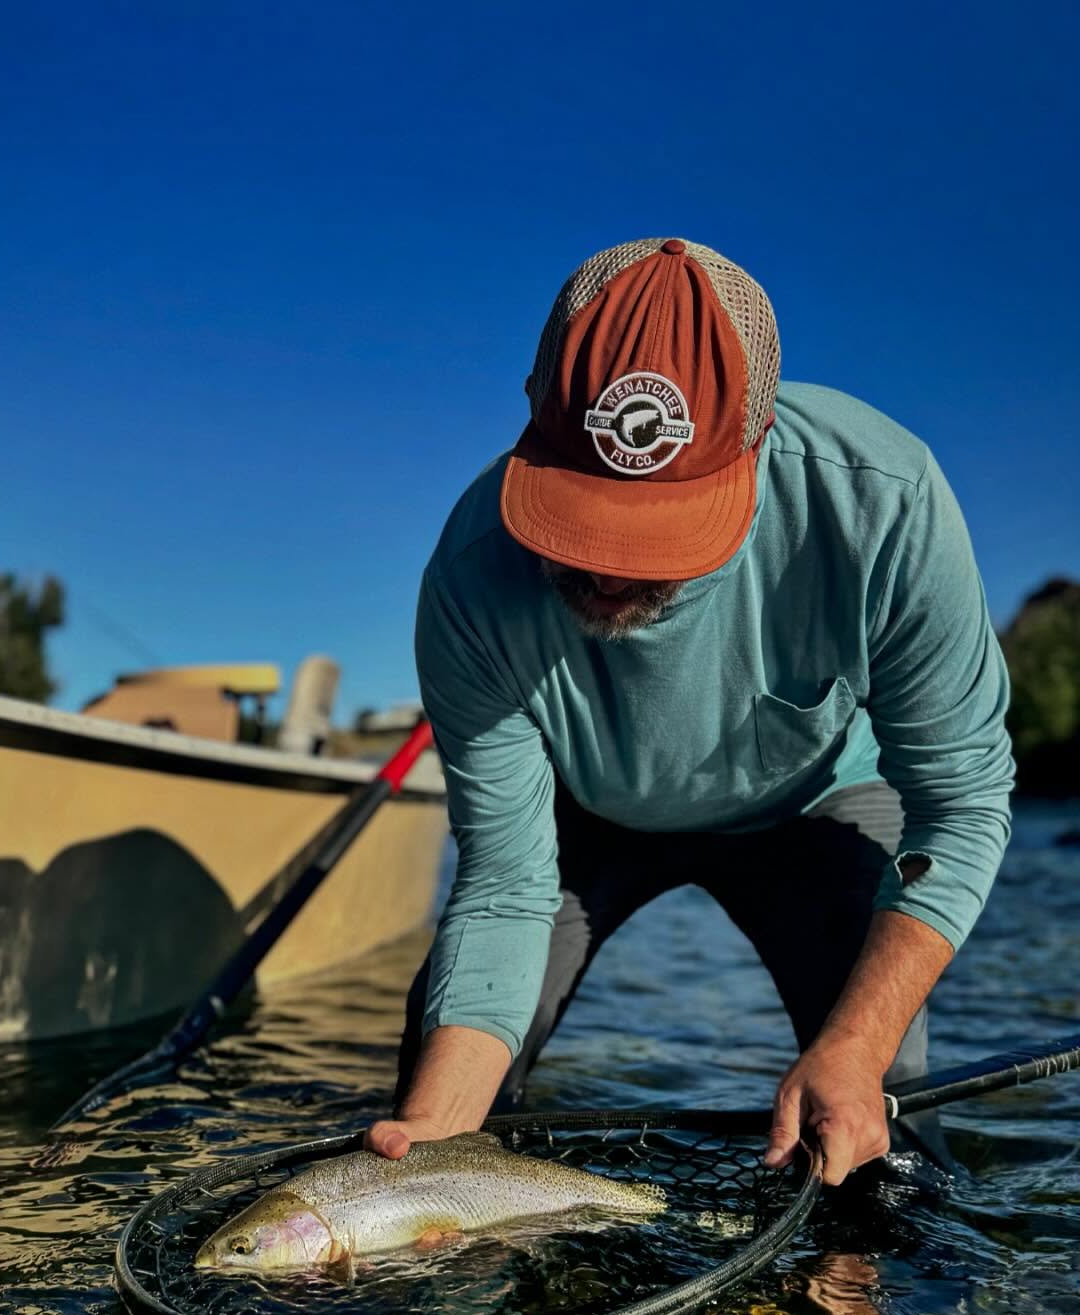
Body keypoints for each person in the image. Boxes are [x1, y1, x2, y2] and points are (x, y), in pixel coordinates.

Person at [367, 237, 1013, 1186]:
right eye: (582, 516)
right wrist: (422, 1165)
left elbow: (961, 804)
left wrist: (856, 1046)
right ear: (533, 407)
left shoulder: (884, 501)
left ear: (759, 440)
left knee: (872, 1132)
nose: (605, 572)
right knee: (433, 1108)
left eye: (658, 528)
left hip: (816, 805)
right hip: (583, 818)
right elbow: (505, 883)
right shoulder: (470, 577)